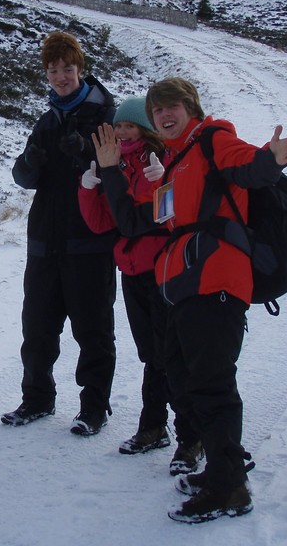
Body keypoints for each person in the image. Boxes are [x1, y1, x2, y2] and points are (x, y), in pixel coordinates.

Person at [92, 77, 287, 524]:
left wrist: (271, 158)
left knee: (211, 382)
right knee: (181, 375)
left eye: (173, 106)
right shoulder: (174, 166)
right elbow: (133, 223)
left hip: (218, 279)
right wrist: (109, 170)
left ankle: (229, 487)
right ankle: (220, 465)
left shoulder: (212, 140)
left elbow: (249, 167)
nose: (164, 115)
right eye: (157, 110)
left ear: (191, 109)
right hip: (184, 287)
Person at [77, 96, 203, 475]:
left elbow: (146, 220)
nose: (122, 132)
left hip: (164, 271)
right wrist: (88, 189)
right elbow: (103, 223)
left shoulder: (156, 161)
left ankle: (191, 436)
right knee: (152, 354)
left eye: (129, 125)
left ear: (145, 128)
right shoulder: (115, 164)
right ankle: (153, 427)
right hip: (132, 271)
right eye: (118, 126)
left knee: (173, 356)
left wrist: (156, 180)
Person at [2, 30, 118, 436]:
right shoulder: (48, 120)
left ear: (80, 69)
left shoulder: (106, 116)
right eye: (52, 71)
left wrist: (87, 154)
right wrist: (29, 163)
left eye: (67, 69)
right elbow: (23, 178)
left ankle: (94, 408)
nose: (60, 77)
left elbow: (120, 172)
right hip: (44, 242)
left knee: (93, 330)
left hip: (89, 242)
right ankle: (37, 398)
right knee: (37, 328)